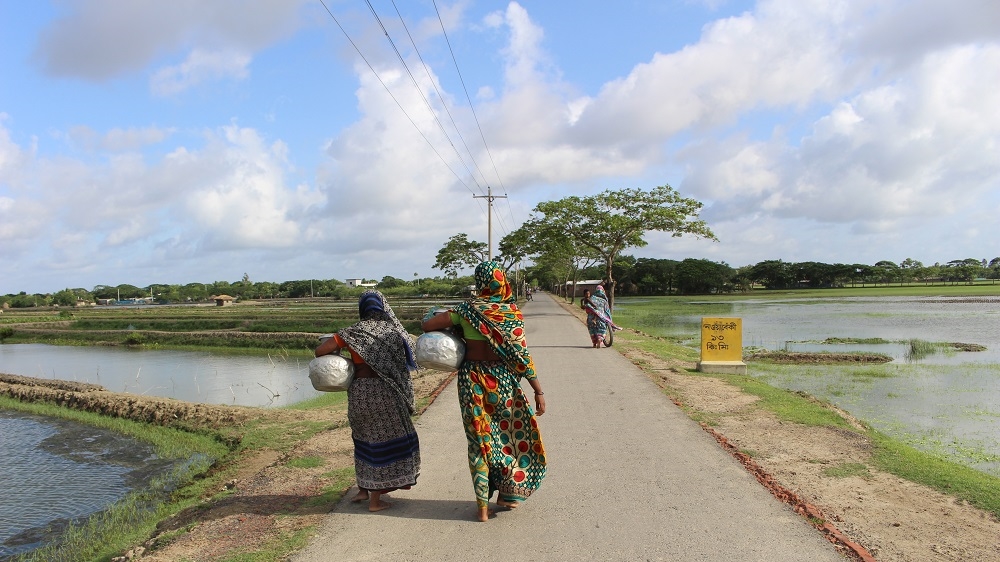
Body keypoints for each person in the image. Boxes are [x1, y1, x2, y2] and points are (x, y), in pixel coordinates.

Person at [421, 261, 547, 522]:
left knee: (479, 440)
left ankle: (482, 508)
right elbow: (522, 356)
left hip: (473, 379)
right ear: (502, 282)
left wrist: (452, 322)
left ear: (479, 283)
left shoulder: (466, 310)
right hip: (504, 381)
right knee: (510, 436)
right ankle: (509, 492)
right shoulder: (512, 313)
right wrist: (538, 391)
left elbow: (427, 326)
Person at [314, 290, 420, 513]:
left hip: (360, 392)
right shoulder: (393, 332)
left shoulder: (351, 332)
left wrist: (344, 356)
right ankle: (375, 502)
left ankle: (363, 489)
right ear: (383, 307)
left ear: (362, 308)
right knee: (383, 440)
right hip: (386, 392)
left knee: (363, 438)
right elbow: (402, 365)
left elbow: (320, 351)